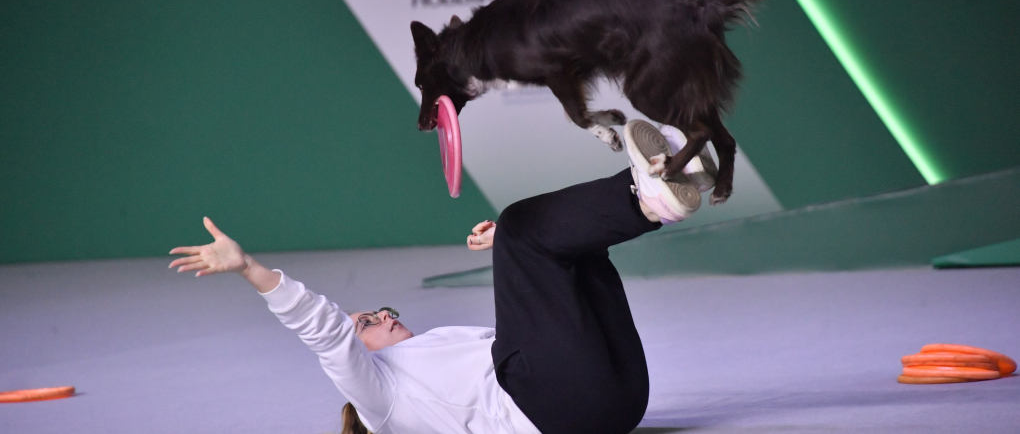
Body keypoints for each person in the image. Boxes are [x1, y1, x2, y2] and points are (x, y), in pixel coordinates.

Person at [169, 121, 714, 434]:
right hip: (558, 411)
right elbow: (324, 332)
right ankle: (647, 196)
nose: (381, 317)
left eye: (378, 312)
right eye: (366, 323)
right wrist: (249, 268)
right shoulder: (378, 400)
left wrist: (516, 251)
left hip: (618, 402)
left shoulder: (438, 350)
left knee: (564, 249)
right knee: (521, 222)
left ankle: (671, 172)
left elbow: (547, 321)